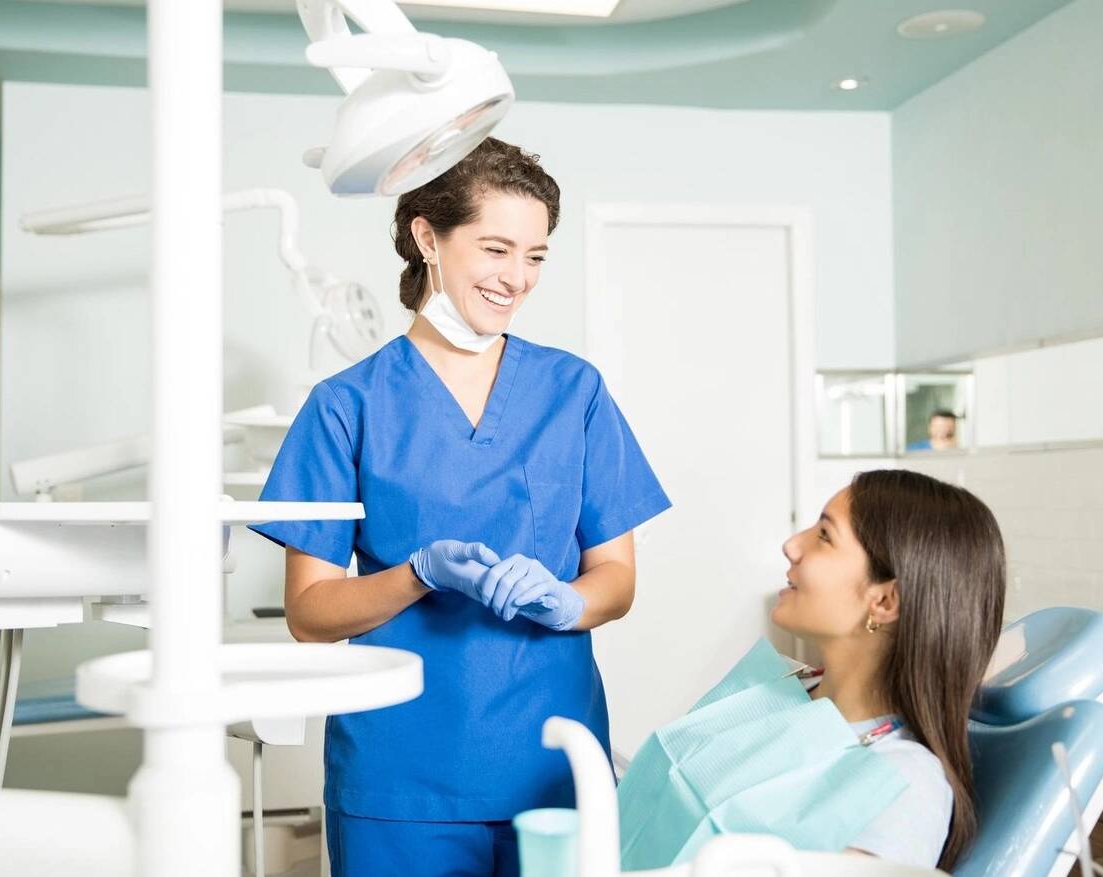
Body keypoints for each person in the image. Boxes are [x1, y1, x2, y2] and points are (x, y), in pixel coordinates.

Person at [250, 138, 671, 877]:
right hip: (398, 776)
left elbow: (617, 578)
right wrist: (418, 573)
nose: (518, 278)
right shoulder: (346, 406)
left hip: (554, 765)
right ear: (427, 238)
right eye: (496, 249)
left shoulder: (574, 391)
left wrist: (567, 602)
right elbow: (310, 614)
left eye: (535, 256)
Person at [770, 469, 1005, 870]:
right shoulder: (778, 690)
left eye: (825, 535)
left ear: (885, 602)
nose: (791, 545)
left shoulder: (904, 783)